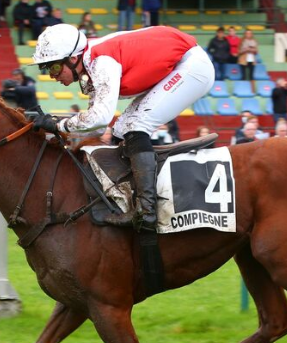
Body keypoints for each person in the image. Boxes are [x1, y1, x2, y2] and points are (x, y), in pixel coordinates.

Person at [30, 24, 214, 231]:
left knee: (136, 124)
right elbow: (99, 129)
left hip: (192, 67)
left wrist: (59, 124)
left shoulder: (101, 63)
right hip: (179, 63)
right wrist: (59, 127)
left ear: (73, 58)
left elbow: (99, 118)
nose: (52, 76)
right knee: (121, 129)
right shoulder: (88, 66)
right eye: (45, 69)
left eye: (54, 67)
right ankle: (129, 198)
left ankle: (147, 211)